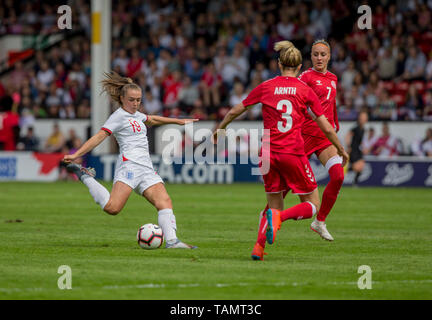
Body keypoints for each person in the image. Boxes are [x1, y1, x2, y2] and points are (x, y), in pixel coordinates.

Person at [213, 41, 349, 260]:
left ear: (279, 63)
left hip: (266, 155)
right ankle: (282, 218)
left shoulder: (266, 86)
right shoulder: (304, 88)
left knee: (273, 205)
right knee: (312, 204)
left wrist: (220, 129)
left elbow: (236, 110)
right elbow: (325, 125)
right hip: (292, 152)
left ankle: (258, 248)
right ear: (299, 67)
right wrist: (341, 148)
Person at [63, 72, 198, 249]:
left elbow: (152, 119)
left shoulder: (137, 115)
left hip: (147, 169)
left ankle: (172, 241)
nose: (135, 104)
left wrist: (178, 122)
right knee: (113, 208)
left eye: (138, 100)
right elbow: (99, 136)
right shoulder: (118, 117)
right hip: (129, 166)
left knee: (164, 202)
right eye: (132, 100)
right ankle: (85, 175)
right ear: (122, 98)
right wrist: (76, 154)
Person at [257, 39, 344, 242]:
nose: (319, 58)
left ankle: (319, 222)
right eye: (315, 54)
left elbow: (331, 105)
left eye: (323, 54)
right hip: (302, 136)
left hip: (323, 138)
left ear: (329, 56)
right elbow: (294, 100)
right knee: (284, 188)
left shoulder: (333, 78)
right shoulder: (305, 77)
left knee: (338, 175)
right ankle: (267, 220)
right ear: (310, 57)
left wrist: (335, 124)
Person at [345, 111, 369, 186]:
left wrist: (364, 148)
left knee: (361, 166)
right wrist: (348, 146)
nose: (364, 119)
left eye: (365, 117)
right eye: (363, 117)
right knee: (357, 167)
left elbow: (361, 141)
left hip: (358, 150)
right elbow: (348, 136)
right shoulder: (356, 128)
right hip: (353, 150)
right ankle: (344, 170)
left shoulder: (363, 129)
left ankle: (354, 182)